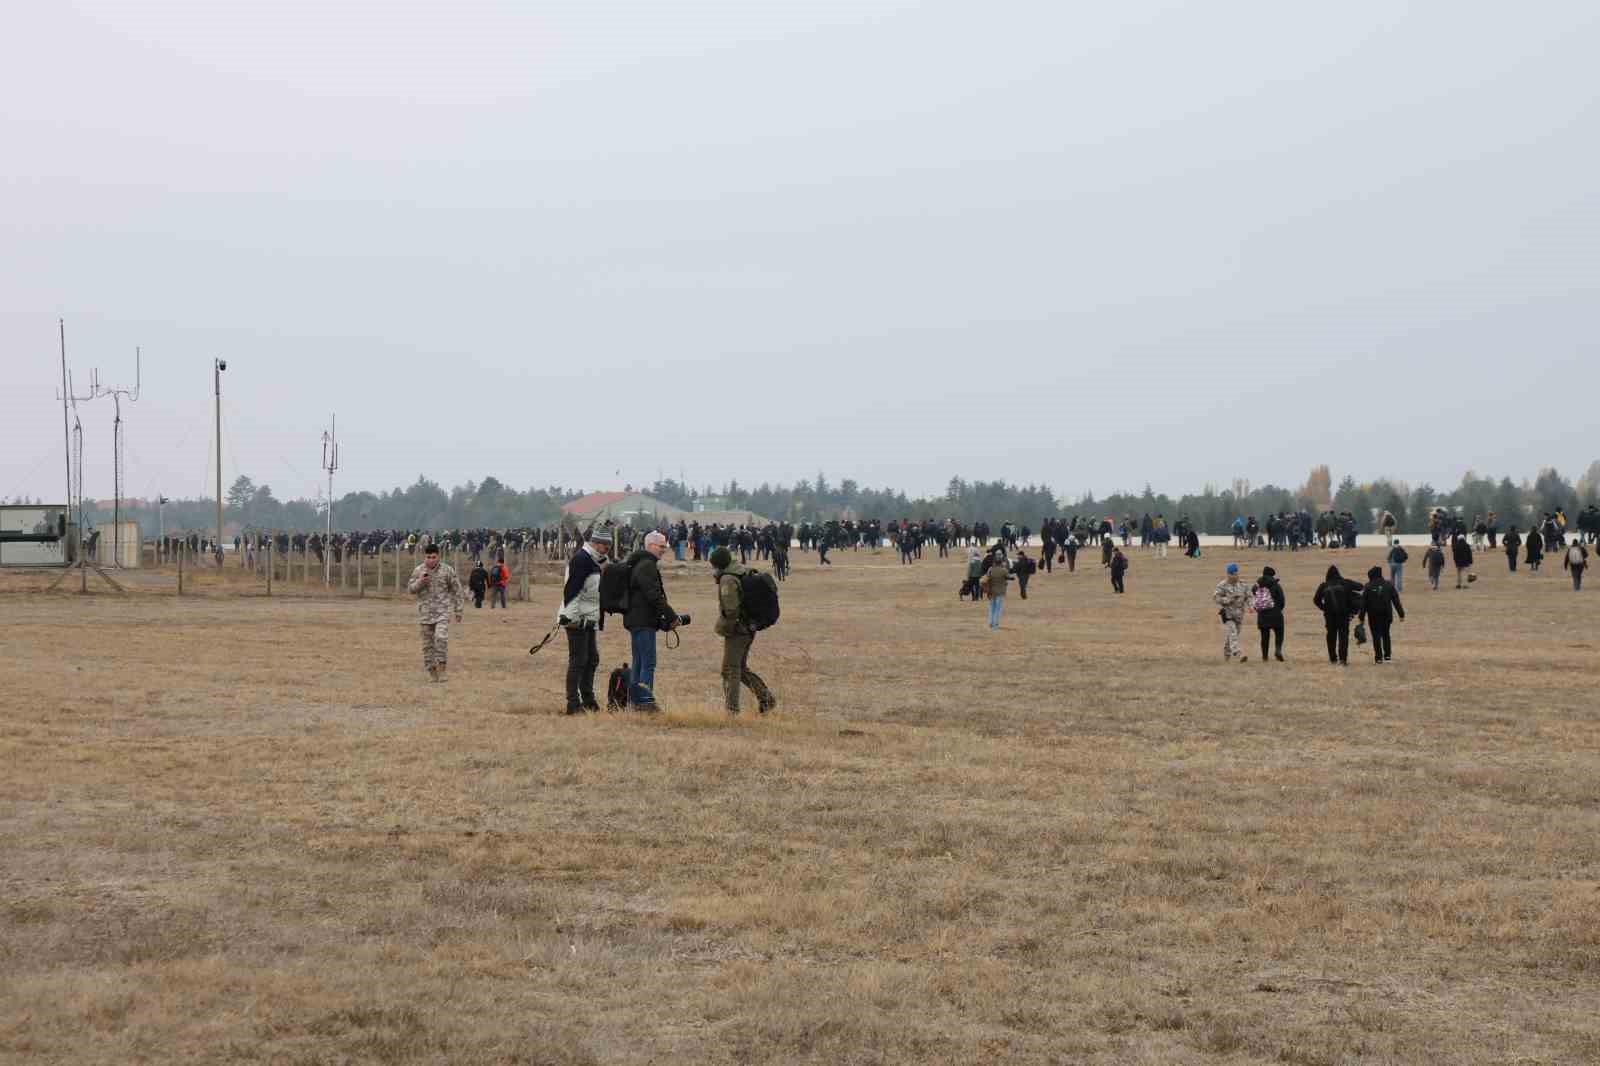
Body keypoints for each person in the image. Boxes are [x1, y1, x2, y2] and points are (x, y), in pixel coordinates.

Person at [711, 546, 776, 714]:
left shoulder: (727, 579)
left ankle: (732, 710)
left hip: (738, 630)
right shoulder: (741, 571)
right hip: (749, 627)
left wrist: (727, 628)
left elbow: (731, 610)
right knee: (739, 669)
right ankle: (766, 698)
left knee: (729, 670)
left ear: (718, 565)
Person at [622, 531, 680, 710]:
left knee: (638, 662)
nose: (664, 550)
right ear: (650, 546)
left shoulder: (639, 563)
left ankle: (636, 702)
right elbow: (653, 595)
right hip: (643, 621)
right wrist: (671, 616)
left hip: (636, 620)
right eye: (661, 546)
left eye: (665, 546)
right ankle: (645, 702)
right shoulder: (647, 565)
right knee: (648, 663)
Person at [559, 528, 610, 714]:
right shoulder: (581, 560)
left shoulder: (594, 560)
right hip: (576, 618)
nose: (607, 549)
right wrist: (569, 617)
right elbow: (571, 591)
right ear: (596, 543)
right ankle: (573, 703)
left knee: (591, 659)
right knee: (578, 660)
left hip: (588, 618)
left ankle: (588, 699)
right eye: (606, 545)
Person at [407, 543, 465, 682]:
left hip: (442, 612)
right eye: (428, 557)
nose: (431, 560)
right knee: (427, 646)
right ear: (425, 557)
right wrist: (421, 581)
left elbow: (457, 590)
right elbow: (410, 589)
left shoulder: (447, 570)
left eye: (434, 557)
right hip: (425, 614)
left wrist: (458, 610)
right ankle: (432, 672)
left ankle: (442, 668)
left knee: (441, 638)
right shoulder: (419, 570)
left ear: (438, 556)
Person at [1312, 564, 1363, 665]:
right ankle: (1343, 659)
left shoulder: (1324, 585)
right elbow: (1360, 587)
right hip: (1344, 614)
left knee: (1331, 636)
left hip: (1329, 615)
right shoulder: (1345, 582)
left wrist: (1324, 608)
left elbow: (1316, 600)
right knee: (1343, 636)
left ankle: (1333, 658)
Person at [1358, 565, 1405, 664]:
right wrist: (1401, 614)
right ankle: (1387, 656)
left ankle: (1378, 657)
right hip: (1386, 614)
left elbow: (1363, 604)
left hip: (1373, 615)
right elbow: (1396, 600)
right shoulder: (1388, 585)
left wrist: (1361, 617)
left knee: (1376, 636)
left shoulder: (1368, 586)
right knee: (1386, 635)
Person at [1213, 562, 1250, 662]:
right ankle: (1238, 653)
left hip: (1239, 615)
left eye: (1237, 573)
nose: (1235, 575)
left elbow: (1248, 596)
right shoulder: (1222, 585)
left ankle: (1227, 652)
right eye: (1233, 574)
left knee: (1234, 634)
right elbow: (1216, 598)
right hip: (1228, 614)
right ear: (1228, 574)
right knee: (1233, 632)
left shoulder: (1243, 584)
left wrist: (1251, 606)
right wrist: (1228, 599)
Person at [1251, 565, 1286, 662]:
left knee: (1264, 636)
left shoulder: (1256, 586)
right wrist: (1279, 609)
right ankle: (1278, 650)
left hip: (1262, 614)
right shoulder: (1276, 585)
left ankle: (1265, 657)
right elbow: (1282, 600)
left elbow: (1253, 596)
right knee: (1279, 633)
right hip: (1275, 613)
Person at [983, 550, 1009, 629]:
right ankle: (995, 624)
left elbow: (986, 578)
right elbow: (1008, 577)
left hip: (991, 591)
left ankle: (990, 622)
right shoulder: (1003, 570)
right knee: (998, 609)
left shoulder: (990, 570)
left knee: (991, 608)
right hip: (1000, 591)